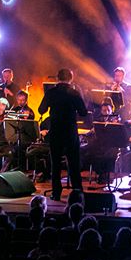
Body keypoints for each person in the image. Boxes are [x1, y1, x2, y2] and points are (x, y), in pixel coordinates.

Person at [38, 68, 88, 200]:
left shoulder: (51, 92)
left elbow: (41, 110)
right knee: (73, 163)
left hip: (55, 131)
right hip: (70, 132)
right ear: (71, 79)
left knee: (55, 164)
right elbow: (83, 112)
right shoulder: (74, 93)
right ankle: (77, 192)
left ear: (57, 78)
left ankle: (56, 193)